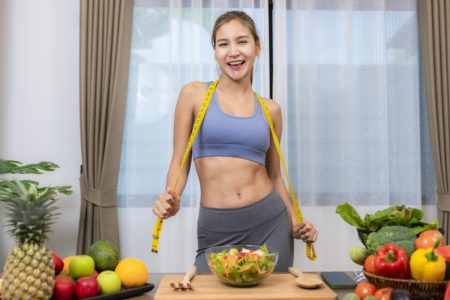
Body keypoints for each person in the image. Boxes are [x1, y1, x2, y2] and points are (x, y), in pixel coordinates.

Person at [152, 10, 318, 273]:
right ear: (215, 52)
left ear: (257, 47)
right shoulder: (194, 95)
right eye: (223, 44)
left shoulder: (270, 109)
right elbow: (179, 161)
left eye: (242, 41)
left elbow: (275, 177)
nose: (233, 51)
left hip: (270, 223)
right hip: (217, 227)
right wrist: (172, 197)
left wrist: (297, 222)